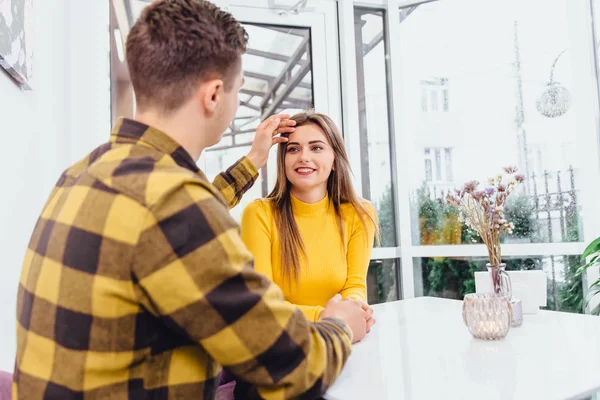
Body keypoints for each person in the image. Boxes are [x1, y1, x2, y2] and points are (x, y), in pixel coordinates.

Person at [12, 1, 371, 399]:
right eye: (238, 90)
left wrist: (252, 160)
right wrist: (340, 323)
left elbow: (170, 223)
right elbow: (295, 365)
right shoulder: (175, 204)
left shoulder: (84, 173)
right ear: (214, 94)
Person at [241, 112, 379, 323]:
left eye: (316, 148)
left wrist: (355, 307)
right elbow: (262, 303)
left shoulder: (360, 214)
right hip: (285, 341)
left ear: (334, 160)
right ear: (283, 161)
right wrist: (326, 317)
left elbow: (355, 286)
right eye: (293, 149)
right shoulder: (259, 214)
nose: (304, 157)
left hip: (341, 336)